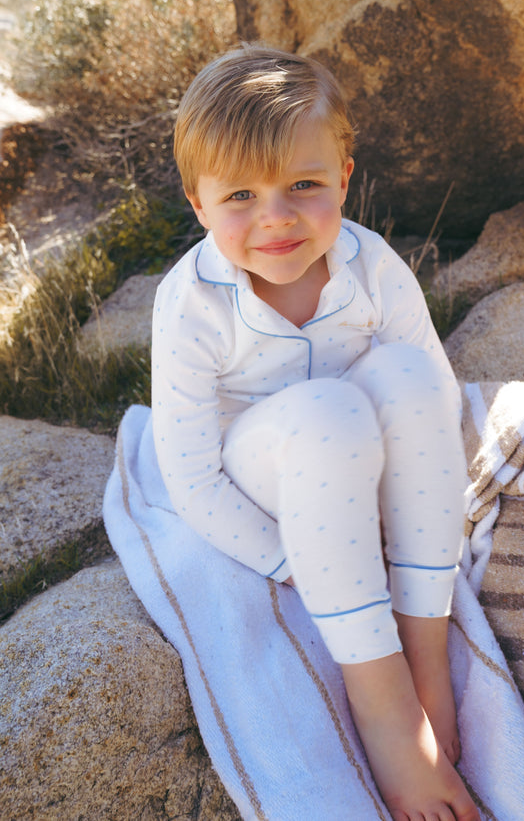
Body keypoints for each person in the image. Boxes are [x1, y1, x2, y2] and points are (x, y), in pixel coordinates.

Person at [152, 42, 479, 821]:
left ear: (344, 177)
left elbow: (432, 397)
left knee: (405, 374)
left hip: (366, 466)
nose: (277, 217)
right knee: (327, 411)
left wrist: (402, 509)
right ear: (198, 205)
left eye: (304, 184)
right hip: (268, 475)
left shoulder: (370, 264)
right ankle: (381, 703)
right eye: (240, 197)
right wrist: (285, 559)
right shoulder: (191, 304)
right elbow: (191, 477)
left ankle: (423, 646)